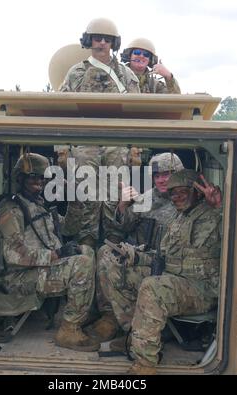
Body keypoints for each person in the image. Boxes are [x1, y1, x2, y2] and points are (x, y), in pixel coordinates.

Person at [100, 169, 221, 374]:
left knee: (152, 288)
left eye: (184, 191)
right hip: (176, 280)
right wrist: (135, 257)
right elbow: (163, 256)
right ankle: (137, 337)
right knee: (117, 272)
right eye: (173, 193)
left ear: (197, 192)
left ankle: (145, 364)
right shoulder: (178, 218)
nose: (177, 197)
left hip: (202, 288)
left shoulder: (214, 215)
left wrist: (220, 206)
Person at [0, 152, 99, 352]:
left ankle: (81, 310)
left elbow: (69, 229)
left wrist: (75, 202)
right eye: (33, 177)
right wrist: (57, 254)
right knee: (81, 264)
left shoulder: (37, 205)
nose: (39, 181)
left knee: (86, 250)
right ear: (20, 178)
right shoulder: (11, 209)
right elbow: (14, 255)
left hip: (40, 268)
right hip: (19, 279)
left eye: (41, 177)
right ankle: (69, 329)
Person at [58, 17, 140, 248]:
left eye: (107, 39)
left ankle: (113, 242)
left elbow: (139, 109)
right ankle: (86, 243)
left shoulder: (126, 75)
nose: (102, 43)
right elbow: (62, 109)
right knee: (86, 193)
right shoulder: (76, 73)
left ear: (114, 42)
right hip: (85, 139)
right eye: (97, 38)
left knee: (116, 190)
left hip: (118, 139)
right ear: (89, 40)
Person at [91, 153, 184, 343]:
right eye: (157, 175)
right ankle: (111, 316)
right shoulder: (148, 198)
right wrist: (123, 205)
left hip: (171, 267)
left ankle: (136, 332)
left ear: (179, 174)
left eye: (167, 174)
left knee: (117, 269)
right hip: (144, 259)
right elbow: (125, 225)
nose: (161, 179)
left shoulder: (186, 200)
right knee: (104, 252)